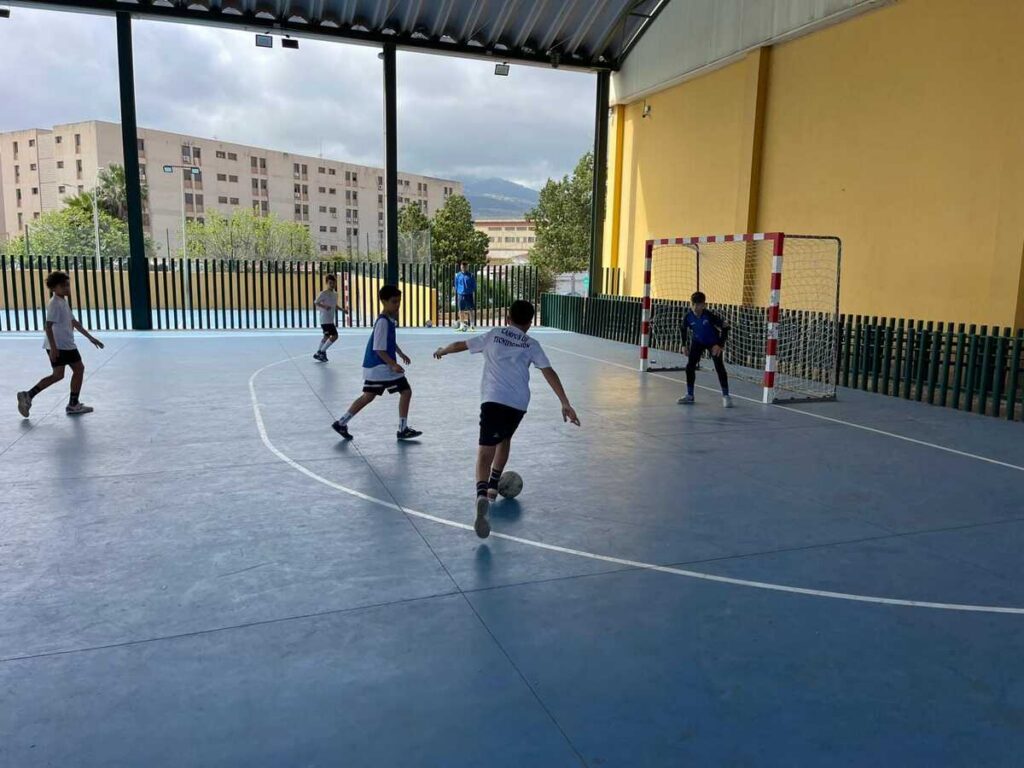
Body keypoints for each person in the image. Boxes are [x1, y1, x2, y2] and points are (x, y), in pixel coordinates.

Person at [434, 299, 579, 539]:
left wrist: (443, 350)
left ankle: (482, 495)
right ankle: (493, 486)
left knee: (484, 452)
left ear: (507, 319)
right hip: (518, 404)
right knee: (505, 438)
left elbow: (461, 344)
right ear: (530, 324)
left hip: (493, 399)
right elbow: (548, 371)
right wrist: (565, 402)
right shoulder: (531, 343)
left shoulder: (494, 334)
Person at [331, 285, 422, 441]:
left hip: (376, 367)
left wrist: (400, 353)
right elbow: (379, 348)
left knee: (368, 396)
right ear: (383, 301)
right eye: (394, 302)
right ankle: (402, 429)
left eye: (399, 302)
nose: (397, 305)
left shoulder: (388, 320)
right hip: (380, 366)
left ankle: (341, 423)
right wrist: (393, 364)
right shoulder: (383, 322)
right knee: (405, 391)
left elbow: (389, 341)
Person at [17, 271, 104, 418]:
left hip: (63, 345)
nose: (67, 288)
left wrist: (91, 338)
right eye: (63, 286)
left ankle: (28, 395)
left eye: (68, 285)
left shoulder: (62, 301)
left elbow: (74, 322)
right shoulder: (55, 304)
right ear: (53, 288)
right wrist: (54, 348)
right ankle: (73, 405)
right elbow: (48, 326)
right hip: (61, 346)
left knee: (58, 375)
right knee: (79, 369)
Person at [678, 291, 732, 408]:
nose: (695, 307)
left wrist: (720, 345)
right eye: (693, 304)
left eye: (698, 304)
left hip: (713, 343)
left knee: (719, 367)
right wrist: (683, 345)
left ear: (704, 305)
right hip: (697, 342)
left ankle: (726, 396)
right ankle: (690, 395)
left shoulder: (709, 316)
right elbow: (683, 329)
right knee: (690, 367)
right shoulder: (688, 317)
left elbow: (726, 327)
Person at [313, 274, 344, 362]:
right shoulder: (323, 293)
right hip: (325, 319)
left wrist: (342, 310)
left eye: (333, 283)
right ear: (327, 283)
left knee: (326, 336)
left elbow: (335, 305)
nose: (332, 285)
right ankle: (322, 352)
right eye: (330, 283)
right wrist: (325, 306)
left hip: (330, 319)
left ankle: (318, 352)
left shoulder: (335, 294)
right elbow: (316, 302)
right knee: (335, 336)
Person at [454, 261, 476, 331]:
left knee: (471, 310)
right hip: (460, 295)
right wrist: (458, 292)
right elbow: (456, 284)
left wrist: (471, 291)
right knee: (461, 310)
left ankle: (472, 325)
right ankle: (461, 325)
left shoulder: (471, 275)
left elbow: (474, 285)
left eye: (465, 266)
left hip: (469, 294)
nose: (464, 268)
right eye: (462, 266)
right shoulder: (458, 275)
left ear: (467, 267)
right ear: (461, 267)